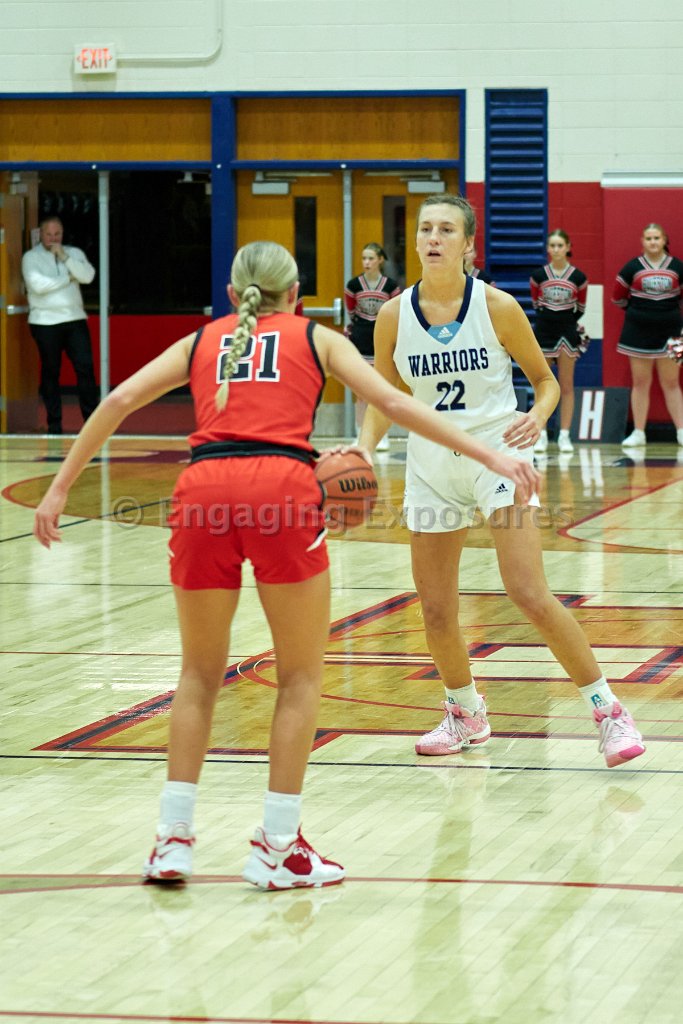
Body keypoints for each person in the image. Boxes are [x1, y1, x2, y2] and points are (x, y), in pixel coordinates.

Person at [33, 240, 539, 890]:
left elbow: (117, 401)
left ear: (232, 294)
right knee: (299, 678)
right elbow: (397, 404)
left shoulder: (202, 340)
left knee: (196, 676)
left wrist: (58, 489)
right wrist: (492, 455)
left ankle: (172, 840)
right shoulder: (316, 338)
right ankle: (276, 846)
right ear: (296, 294)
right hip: (281, 491)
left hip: (203, 492)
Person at [358, 194, 646, 768]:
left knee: (527, 591)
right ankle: (465, 712)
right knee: (435, 609)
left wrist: (536, 417)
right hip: (431, 466)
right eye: (425, 229)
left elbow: (546, 382)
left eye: (446, 230)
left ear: (469, 244)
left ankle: (609, 710)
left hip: (498, 458)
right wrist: (363, 450)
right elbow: (385, 398)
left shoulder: (497, 306)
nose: (433, 238)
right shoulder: (392, 316)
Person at [21, 215, 99, 435]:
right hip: (44, 322)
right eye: (49, 234)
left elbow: (87, 276)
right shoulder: (30, 257)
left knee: (85, 369)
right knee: (50, 372)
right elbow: (37, 286)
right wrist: (68, 279)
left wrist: (64, 258)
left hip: (75, 319)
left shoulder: (74, 253)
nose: (53, 238)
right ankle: (54, 424)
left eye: (57, 234)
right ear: (41, 234)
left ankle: (92, 423)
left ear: (62, 234)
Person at [613, 223, 683, 448]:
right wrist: (641, 313)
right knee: (641, 383)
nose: (653, 242)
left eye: (657, 238)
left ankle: (681, 431)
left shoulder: (677, 267)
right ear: (642, 241)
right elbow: (617, 298)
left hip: (672, 332)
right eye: (649, 238)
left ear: (664, 241)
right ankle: (639, 433)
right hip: (638, 332)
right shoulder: (632, 267)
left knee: (671, 382)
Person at [529, 229, 589, 454]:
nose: (556, 250)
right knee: (542, 384)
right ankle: (541, 433)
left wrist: (565, 320)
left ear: (568, 247)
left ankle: (564, 435)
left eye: (560, 246)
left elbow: (580, 308)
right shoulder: (538, 275)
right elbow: (537, 304)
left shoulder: (579, 277)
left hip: (567, 333)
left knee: (566, 385)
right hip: (544, 331)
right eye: (552, 246)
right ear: (547, 249)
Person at [344, 242, 400, 450]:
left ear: (380, 260)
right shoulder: (353, 285)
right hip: (360, 340)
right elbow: (351, 312)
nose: (366, 262)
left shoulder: (390, 286)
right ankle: (361, 434)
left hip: (382, 339)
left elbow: (395, 313)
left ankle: (381, 436)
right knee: (361, 392)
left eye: (370, 258)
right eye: (364, 258)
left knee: (381, 389)